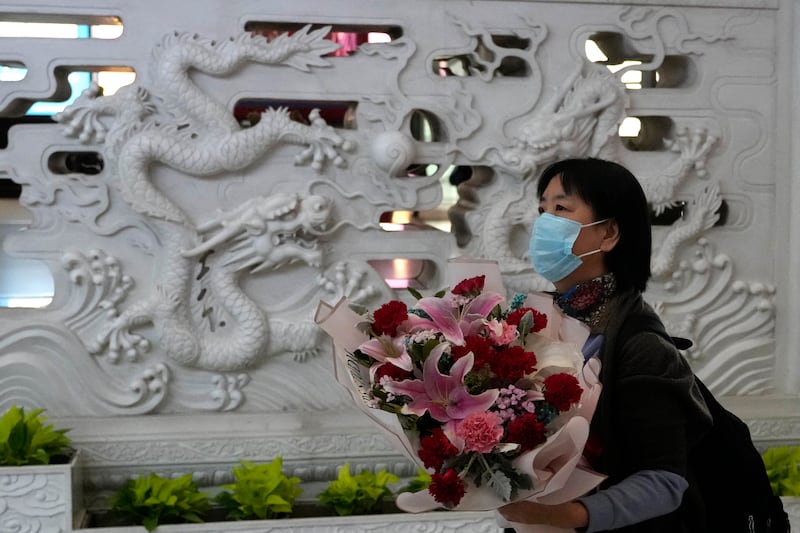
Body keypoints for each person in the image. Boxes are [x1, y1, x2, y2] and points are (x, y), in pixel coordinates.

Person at [498, 157, 717, 532]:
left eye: (561, 208)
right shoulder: (532, 324)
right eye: (542, 209)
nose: (543, 223)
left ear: (609, 233)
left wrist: (569, 516)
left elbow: (665, 481)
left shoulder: (640, 346)